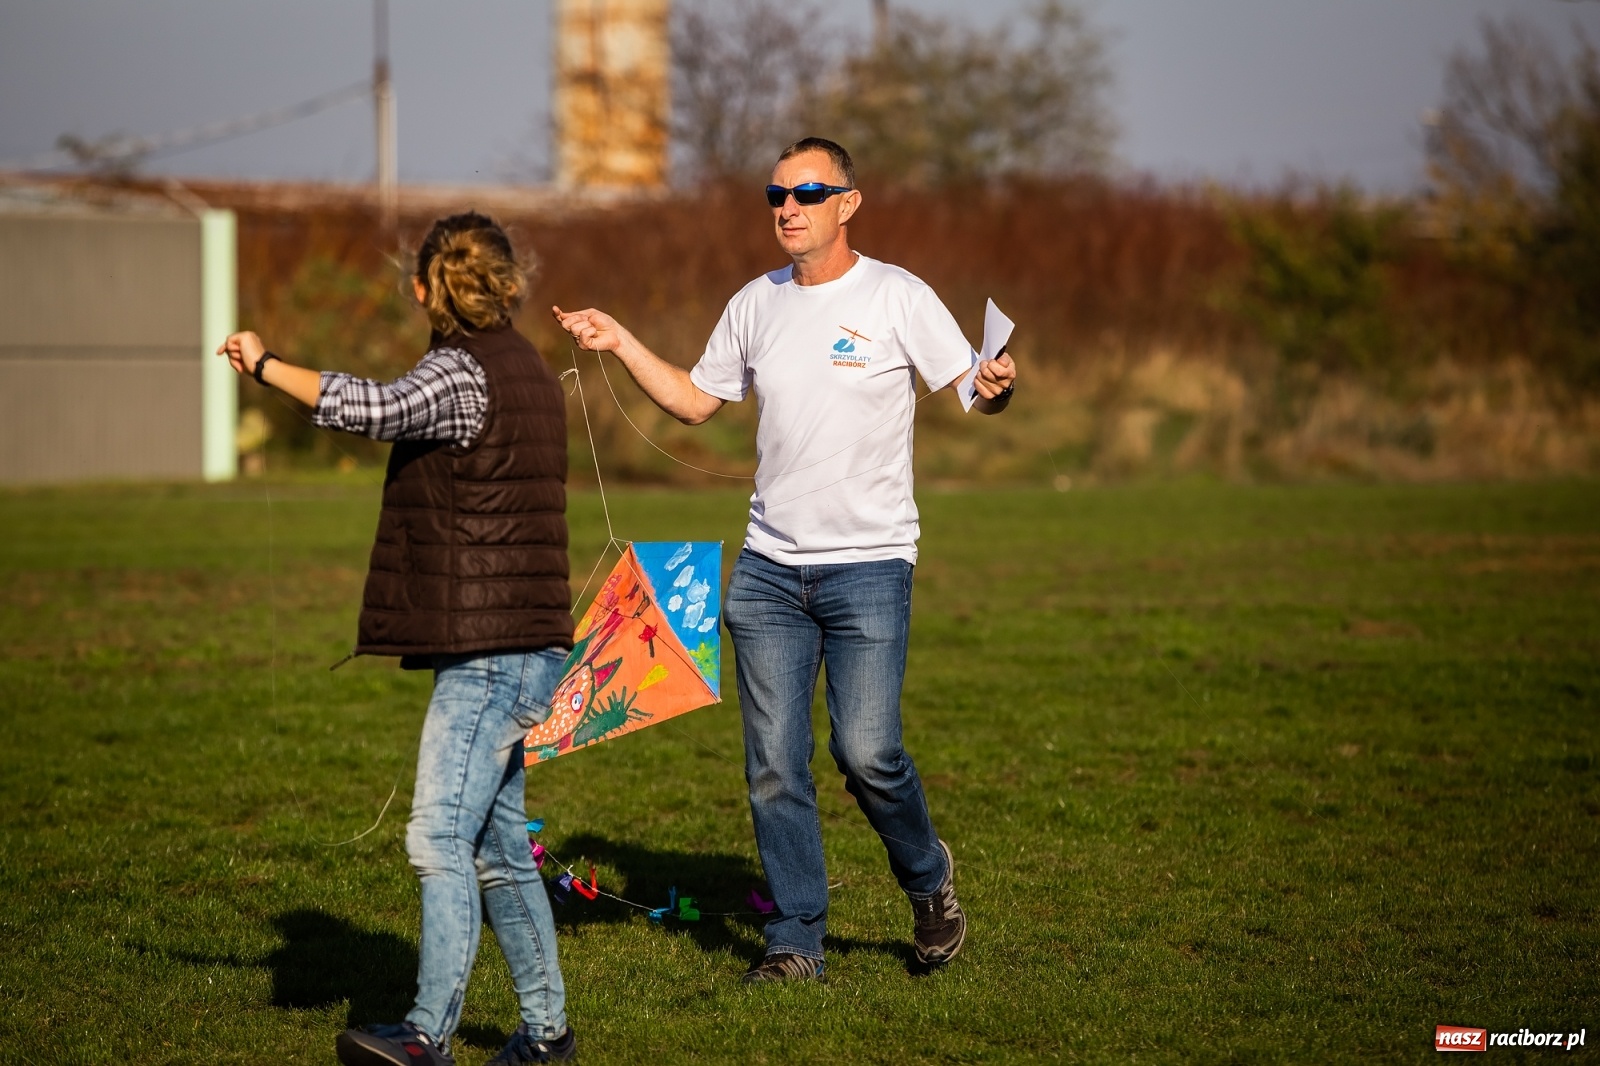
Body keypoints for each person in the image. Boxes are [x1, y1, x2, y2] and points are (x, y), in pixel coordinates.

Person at [553, 137, 1017, 982]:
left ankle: (928, 878)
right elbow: (697, 402)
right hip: (768, 573)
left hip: (872, 564)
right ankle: (795, 941)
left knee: (868, 753)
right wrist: (619, 341)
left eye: (808, 191)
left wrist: (997, 386)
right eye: (776, 194)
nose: (788, 207)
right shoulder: (754, 303)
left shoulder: (898, 295)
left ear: (849, 202)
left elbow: (972, 387)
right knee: (773, 768)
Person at [217, 212, 578, 1064]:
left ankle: (427, 1036)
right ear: (507, 281)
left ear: (424, 288)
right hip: (528, 641)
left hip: (492, 656)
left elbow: (374, 408)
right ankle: (547, 1034)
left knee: (437, 837)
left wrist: (265, 366)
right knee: (495, 843)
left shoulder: (460, 371)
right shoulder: (529, 365)